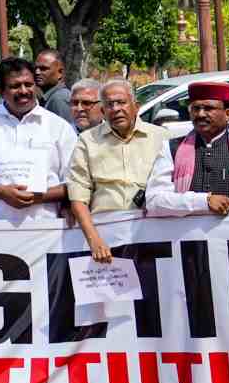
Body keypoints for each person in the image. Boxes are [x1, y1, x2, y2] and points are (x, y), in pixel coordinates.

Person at [0, 58, 78, 223]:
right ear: (1, 91)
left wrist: (36, 198)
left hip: (43, 226)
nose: (23, 91)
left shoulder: (59, 127)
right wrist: (2, 192)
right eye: (15, 86)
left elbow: (73, 181)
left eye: (28, 84)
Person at [67, 79, 169, 263]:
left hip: (153, 236)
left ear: (136, 106)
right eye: (109, 104)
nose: (115, 109)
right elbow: (78, 196)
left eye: (121, 102)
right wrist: (94, 240)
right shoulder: (87, 141)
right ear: (103, 111)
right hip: (105, 239)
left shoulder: (161, 137)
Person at [146, 81, 229, 216]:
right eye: (195, 108)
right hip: (185, 236)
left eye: (208, 108)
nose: (200, 114)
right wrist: (203, 201)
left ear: (227, 114)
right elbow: (153, 201)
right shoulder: (171, 149)